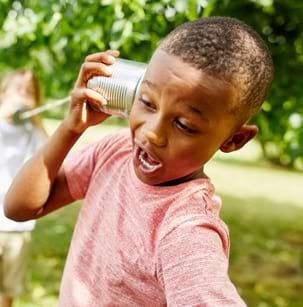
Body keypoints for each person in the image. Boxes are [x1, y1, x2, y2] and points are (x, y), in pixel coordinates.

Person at [4, 16, 274, 306]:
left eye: (184, 124)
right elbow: (20, 207)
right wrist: (71, 128)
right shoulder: (114, 152)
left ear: (234, 140)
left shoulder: (186, 230)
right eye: (147, 102)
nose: (153, 133)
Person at [0, 70, 47, 307]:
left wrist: (36, 120)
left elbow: (51, 157)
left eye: (29, 93)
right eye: (18, 90)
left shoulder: (31, 131)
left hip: (16, 225)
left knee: (9, 288)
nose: (23, 97)